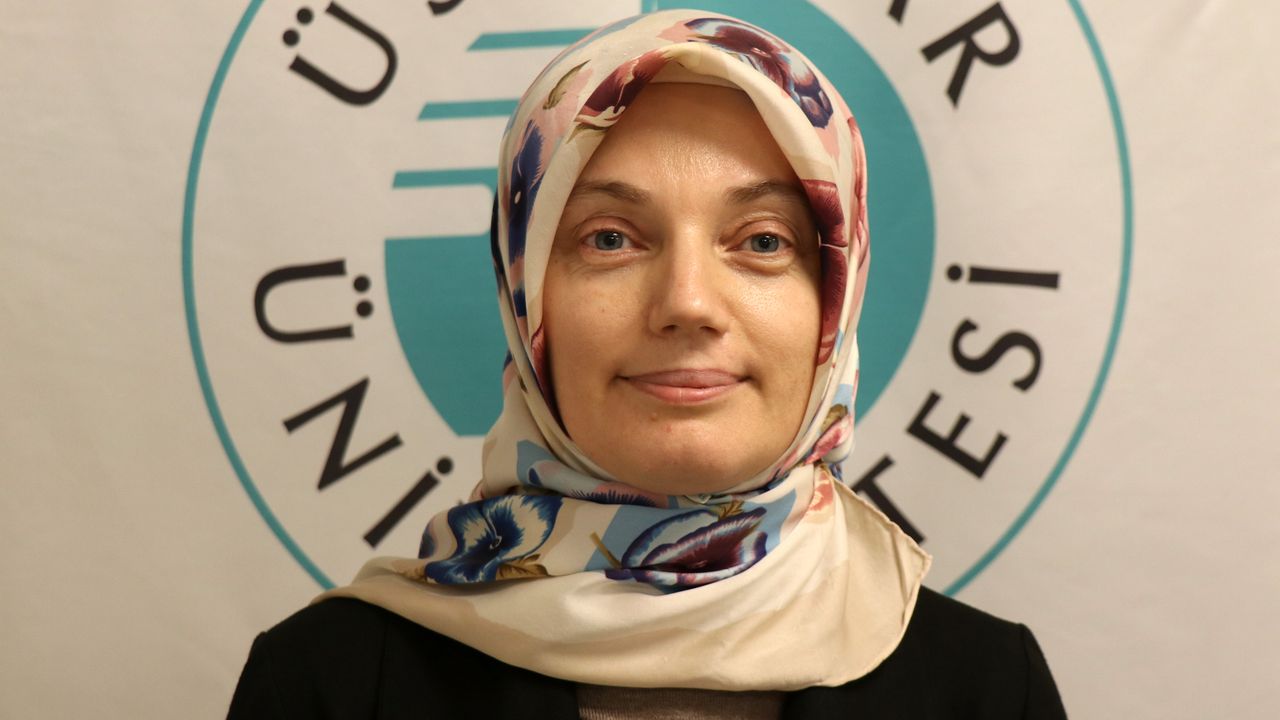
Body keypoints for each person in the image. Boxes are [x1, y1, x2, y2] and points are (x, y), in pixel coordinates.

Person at [228, 10, 1067, 718]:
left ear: (835, 299)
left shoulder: (989, 690)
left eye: (762, 241)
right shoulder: (328, 686)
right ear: (526, 295)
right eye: (610, 239)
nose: (688, 302)